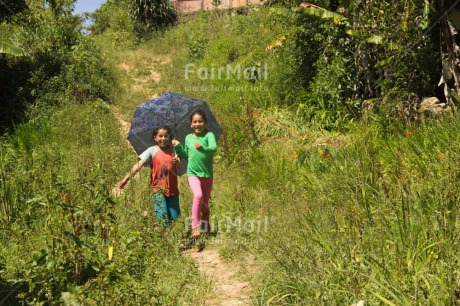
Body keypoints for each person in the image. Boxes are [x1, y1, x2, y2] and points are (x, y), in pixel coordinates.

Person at [117, 125, 182, 226]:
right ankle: (164, 238)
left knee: (175, 218)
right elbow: (139, 165)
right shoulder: (152, 150)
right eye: (160, 136)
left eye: (166, 136)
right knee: (162, 217)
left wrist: (177, 161)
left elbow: (179, 166)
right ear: (155, 138)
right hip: (158, 189)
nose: (163, 139)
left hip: (173, 190)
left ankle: (176, 239)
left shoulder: (173, 151)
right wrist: (126, 179)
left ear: (170, 137)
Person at [172, 110, 216, 239]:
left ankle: (206, 228)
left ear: (205, 123)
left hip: (207, 174)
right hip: (192, 173)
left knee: (205, 204)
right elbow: (186, 155)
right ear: (191, 124)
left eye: (200, 121)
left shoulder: (209, 135)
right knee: (198, 195)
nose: (197, 124)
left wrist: (203, 148)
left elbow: (213, 149)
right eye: (194, 122)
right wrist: (179, 147)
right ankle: (195, 228)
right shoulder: (188, 138)